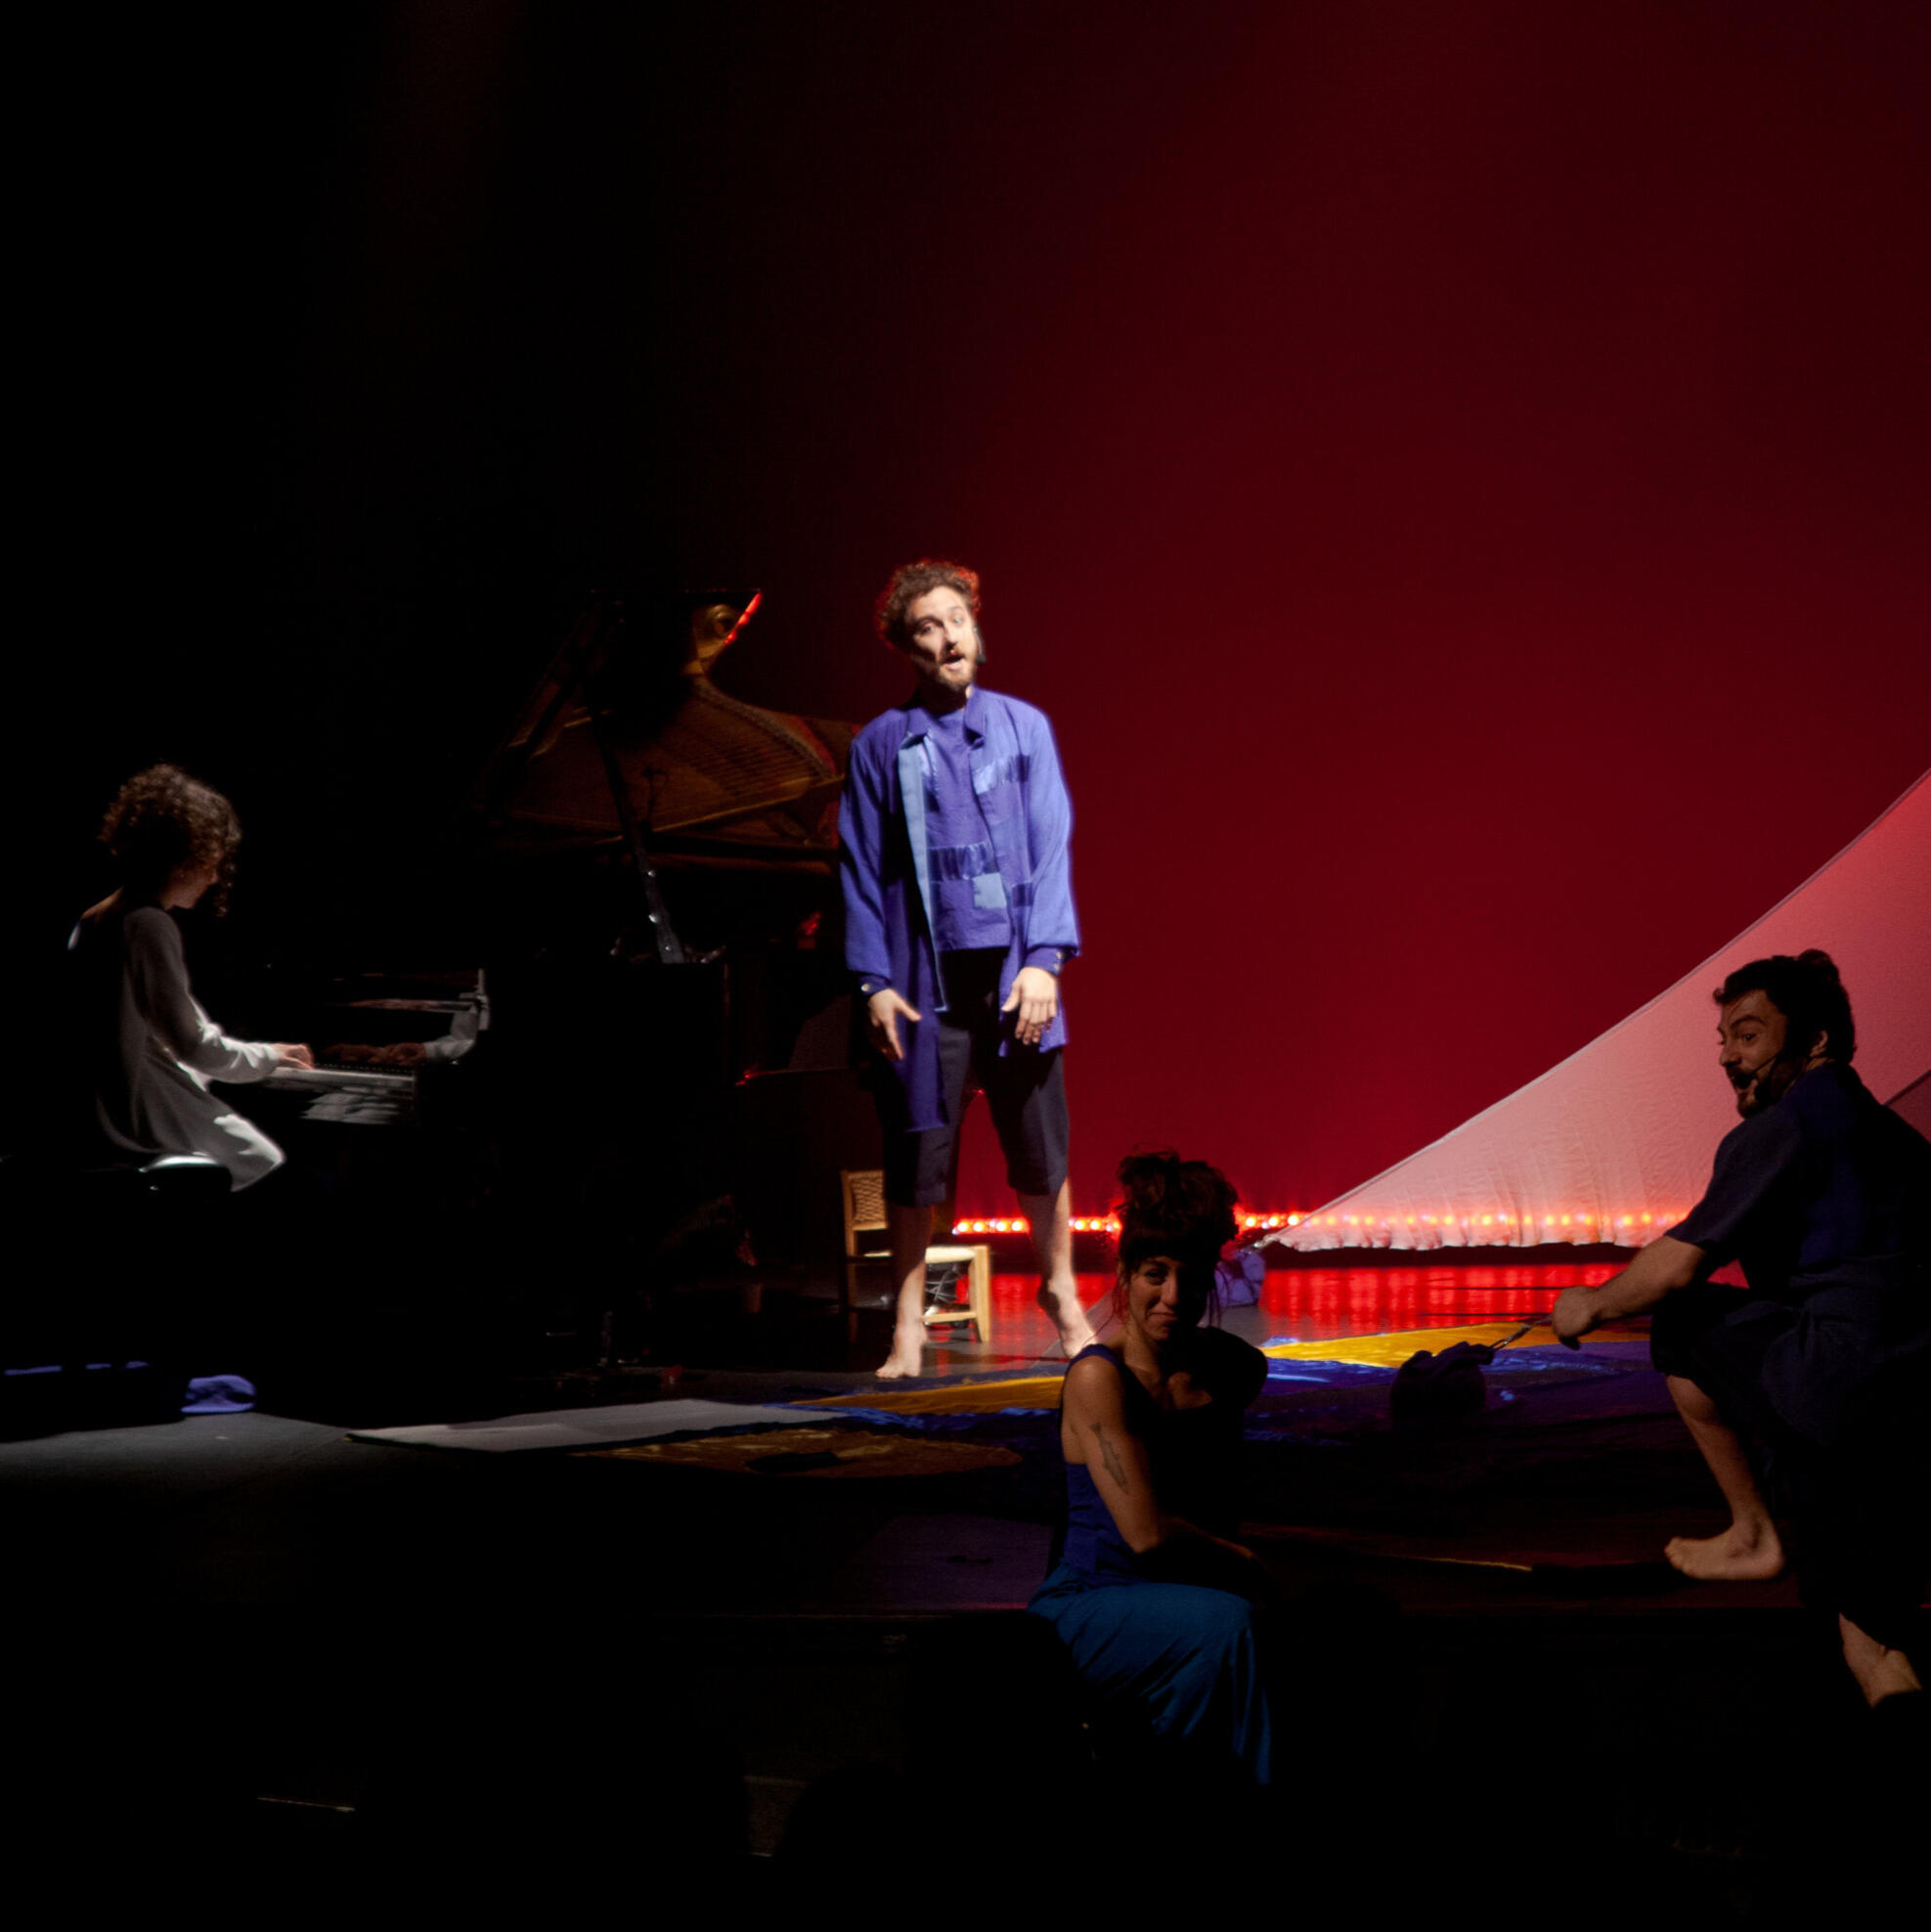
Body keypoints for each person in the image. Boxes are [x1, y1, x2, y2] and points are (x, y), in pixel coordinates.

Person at [1552, 949, 1930, 1707]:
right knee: (1875, 1629)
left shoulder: (1788, 1123)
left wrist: (1587, 1303)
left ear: (1813, 1041)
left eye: (1748, 1035)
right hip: (1915, 1407)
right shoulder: (1898, 1139)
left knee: (1684, 1319)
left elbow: (1677, 1266)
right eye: (1724, 1039)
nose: (1729, 1057)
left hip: (1839, 1392)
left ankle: (1752, 1530)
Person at [839, 558, 1094, 1376]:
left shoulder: (1024, 726)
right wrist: (872, 981)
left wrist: (1046, 960)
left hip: (1014, 973)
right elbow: (860, 868)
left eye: (956, 618)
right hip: (924, 984)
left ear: (976, 628)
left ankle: (1060, 1292)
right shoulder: (882, 744)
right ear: (904, 648)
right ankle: (908, 1323)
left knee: (1038, 1147)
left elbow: (1051, 845)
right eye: (926, 626)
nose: (947, 635)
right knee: (916, 1152)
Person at [1029, 1152, 1276, 1783]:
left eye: (1188, 1279)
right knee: (1229, 1624)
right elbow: (1145, 1536)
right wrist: (1239, 1560)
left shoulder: (1226, 1370)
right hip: (1093, 1599)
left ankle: (1169, 1784)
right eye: (1153, 1276)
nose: (1172, 1297)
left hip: (1181, 1588)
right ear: (1124, 1275)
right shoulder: (1095, 1378)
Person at [66, 765, 313, 1189]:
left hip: (89, 1111)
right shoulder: (147, 924)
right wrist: (269, 1058)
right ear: (185, 855)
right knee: (266, 1164)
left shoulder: (96, 918)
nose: (215, 877)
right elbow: (192, 1043)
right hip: (134, 1115)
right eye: (212, 862)